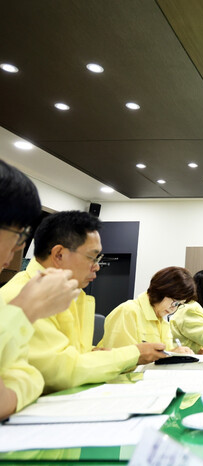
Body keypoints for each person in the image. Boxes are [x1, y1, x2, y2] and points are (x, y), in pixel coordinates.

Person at [0, 210, 167, 394]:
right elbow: (62, 371)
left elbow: (71, 356)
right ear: (59, 255)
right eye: (92, 257)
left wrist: (93, 354)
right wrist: (135, 353)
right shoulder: (23, 296)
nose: (97, 266)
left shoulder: (70, 293)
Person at [0, 160, 81, 419]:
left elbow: (29, 375)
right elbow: (54, 372)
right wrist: (23, 310)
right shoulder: (23, 295)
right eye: (19, 234)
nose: (17, 248)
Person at [99, 266, 196, 353]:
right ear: (161, 291)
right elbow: (120, 358)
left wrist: (175, 354)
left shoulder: (163, 322)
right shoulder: (128, 312)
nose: (173, 308)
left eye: (179, 304)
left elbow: (163, 355)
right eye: (175, 302)